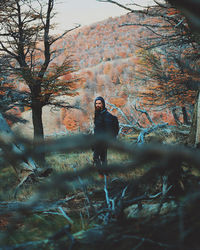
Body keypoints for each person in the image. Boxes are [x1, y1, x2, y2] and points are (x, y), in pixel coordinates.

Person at [93, 96, 119, 175]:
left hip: (103, 141)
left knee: (96, 157)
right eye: (96, 103)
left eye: (99, 103)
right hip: (98, 140)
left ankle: (101, 174)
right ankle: (105, 174)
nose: (97, 105)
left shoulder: (106, 115)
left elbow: (109, 129)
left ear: (103, 104)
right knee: (103, 158)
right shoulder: (98, 114)